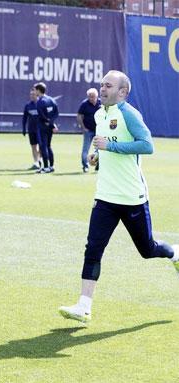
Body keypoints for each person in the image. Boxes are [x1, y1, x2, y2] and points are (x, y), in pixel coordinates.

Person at [59, 70, 179, 323]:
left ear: (122, 92)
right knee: (93, 248)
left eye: (108, 85)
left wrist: (110, 147)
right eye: (101, 84)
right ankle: (84, 306)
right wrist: (97, 156)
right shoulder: (100, 113)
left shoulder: (129, 114)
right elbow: (103, 144)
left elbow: (147, 145)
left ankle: (174, 253)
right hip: (105, 196)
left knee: (148, 249)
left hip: (132, 197)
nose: (102, 89)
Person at [34, 82, 59, 173]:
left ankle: (45, 167)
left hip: (43, 127)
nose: (34, 92)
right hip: (50, 127)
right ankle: (51, 166)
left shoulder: (40, 101)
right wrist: (52, 123)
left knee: (43, 146)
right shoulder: (52, 100)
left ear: (38, 90)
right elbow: (56, 113)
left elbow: (42, 115)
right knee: (48, 146)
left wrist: (48, 122)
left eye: (35, 90)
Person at [77, 88, 101, 173]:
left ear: (97, 96)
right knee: (85, 149)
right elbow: (79, 116)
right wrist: (83, 127)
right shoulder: (84, 104)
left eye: (93, 97)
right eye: (90, 97)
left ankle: (98, 166)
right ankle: (85, 166)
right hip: (88, 130)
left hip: (99, 131)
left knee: (100, 150)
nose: (91, 98)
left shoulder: (101, 103)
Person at [21, 87, 41, 170]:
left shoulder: (41, 104)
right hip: (31, 129)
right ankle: (36, 162)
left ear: (37, 95)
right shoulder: (28, 105)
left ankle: (40, 160)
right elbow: (24, 117)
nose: (31, 96)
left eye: (33, 94)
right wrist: (24, 128)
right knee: (33, 146)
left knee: (41, 146)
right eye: (30, 94)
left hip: (40, 130)